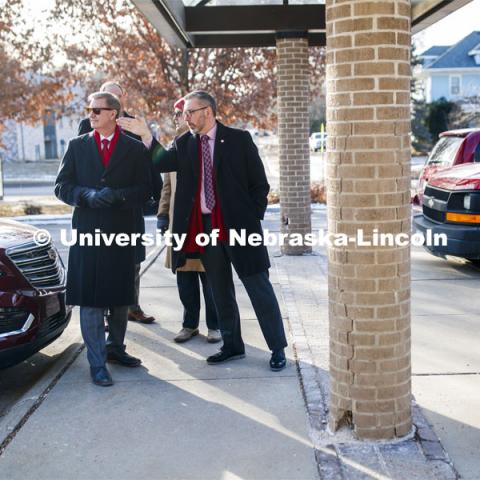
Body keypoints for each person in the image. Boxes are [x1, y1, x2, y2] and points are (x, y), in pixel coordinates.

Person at [118, 90, 288, 371]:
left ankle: (277, 348)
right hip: (205, 229)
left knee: (259, 288)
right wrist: (146, 136)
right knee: (220, 291)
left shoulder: (238, 140)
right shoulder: (184, 143)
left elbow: (260, 185)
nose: (185, 117)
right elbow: (162, 162)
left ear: (207, 111)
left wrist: (250, 217)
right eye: (184, 113)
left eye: (189, 112)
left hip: (239, 227)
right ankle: (232, 345)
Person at [55, 91, 149, 386]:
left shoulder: (134, 149)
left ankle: (116, 349)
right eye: (90, 109)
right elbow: (61, 186)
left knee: (121, 298)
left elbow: (147, 190)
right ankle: (97, 363)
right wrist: (87, 196)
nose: (91, 114)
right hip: (87, 233)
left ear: (114, 114)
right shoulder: (76, 146)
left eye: (98, 110)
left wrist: (119, 196)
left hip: (121, 232)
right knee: (91, 300)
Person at [78, 81, 158, 325]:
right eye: (103, 97)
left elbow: (148, 164)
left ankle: (132, 306)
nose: (108, 100)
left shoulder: (134, 124)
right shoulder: (87, 124)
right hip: (97, 208)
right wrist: (92, 195)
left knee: (131, 261)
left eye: (114, 96)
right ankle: (102, 313)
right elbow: (83, 162)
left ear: (120, 102)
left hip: (127, 208)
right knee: (99, 265)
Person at [157, 98, 221, 344]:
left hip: (204, 224)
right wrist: (163, 215)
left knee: (210, 279)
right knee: (184, 279)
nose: (179, 119)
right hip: (180, 225)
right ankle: (189, 324)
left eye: (183, 114)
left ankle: (214, 326)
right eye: (176, 115)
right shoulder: (176, 147)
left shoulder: (208, 144)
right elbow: (167, 187)